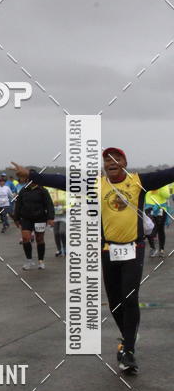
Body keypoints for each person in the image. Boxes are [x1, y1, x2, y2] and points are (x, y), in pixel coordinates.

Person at [11, 149, 174, 374]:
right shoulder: (96, 184)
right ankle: (128, 336)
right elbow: (64, 181)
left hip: (134, 249)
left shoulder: (139, 181)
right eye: (107, 160)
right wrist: (31, 174)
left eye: (116, 159)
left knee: (130, 297)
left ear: (125, 162)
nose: (111, 162)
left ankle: (128, 349)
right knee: (116, 301)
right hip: (108, 250)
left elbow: (169, 174)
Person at [13, 181, 54, 270]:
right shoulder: (23, 190)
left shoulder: (43, 190)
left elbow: (49, 205)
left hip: (40, 218)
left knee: (39, 239)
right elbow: (18, 204)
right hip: (26, 219)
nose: (28, 181)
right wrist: (16, 218)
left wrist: (50, 217)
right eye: (27, 180)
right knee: (25, 238)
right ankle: (29, 260)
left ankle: (41, 261)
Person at [145, 185, 171, 258]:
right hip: (149, 208)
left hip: (160, 208)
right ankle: (152, 247)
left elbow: (167, 195)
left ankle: (161, 249)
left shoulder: (163, 184)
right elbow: (144, 194)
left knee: (160, 229)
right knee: (148, 229)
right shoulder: (149, 183)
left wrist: (159, 187)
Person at [48, 187, 68, 256]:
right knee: (56, 233)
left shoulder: (65, 191)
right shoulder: (50, 191)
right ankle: (59, 250)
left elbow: (71, 202)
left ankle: (65, 249)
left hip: (64, 216)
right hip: (54, 216)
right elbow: (48, 203)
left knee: (62, 232)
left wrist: (65, 208)